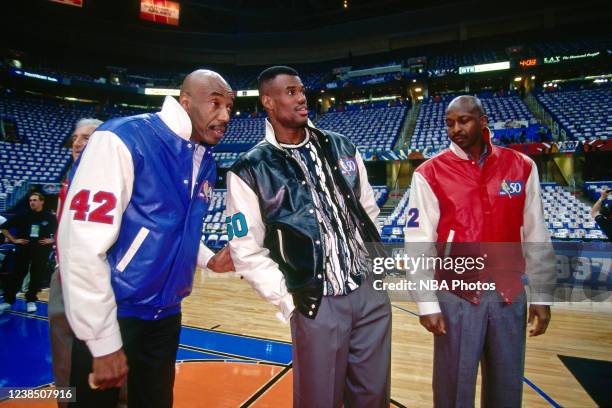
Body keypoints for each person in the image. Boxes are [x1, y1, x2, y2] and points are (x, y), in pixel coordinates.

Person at [57, 69, 235, 408]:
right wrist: (103, 340)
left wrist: (208, 259)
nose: (225, 116)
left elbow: (172, 227)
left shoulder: (203, 160)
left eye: (229, 107)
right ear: (185, 102)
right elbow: (80, 245)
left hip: (166, 314)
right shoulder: (121, 138)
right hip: (116, 311)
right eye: (215, 103)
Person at [226, 66, 391, 407]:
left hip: (369, 292)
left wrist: (376, 270)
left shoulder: (342, 145)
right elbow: (246, 251)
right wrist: (290, 301)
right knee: (319, 399)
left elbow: (368, 212)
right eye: (290, 92)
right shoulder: (250, 168)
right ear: (268, 102)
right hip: (316, 300)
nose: (301, 98)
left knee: (374, 398)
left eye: (301, 90)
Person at [405, 95, 556, 407]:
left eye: (464, 120)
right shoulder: (429, 173)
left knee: (507, 387)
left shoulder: (521, 166)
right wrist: (425, 302)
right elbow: (418, 242)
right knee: (453, 389)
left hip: (509, 293)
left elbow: (536, 233)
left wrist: (542, 295)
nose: (456, 129)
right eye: (449, 123)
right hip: (456, 295)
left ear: (483, 121)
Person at [48, 118, 103, 408]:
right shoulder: (68, 180)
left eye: (88, 137)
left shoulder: (119, 178)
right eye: (76, 138)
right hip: (66, 276)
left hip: (103, 280)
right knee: (65, 358)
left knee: (113, 356)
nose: (79, 143)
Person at [0, 192, 57, 314]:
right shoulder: (23, 215)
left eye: (35, 200)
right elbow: (4, 228)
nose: (32, 202)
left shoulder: (49, 217)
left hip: (41, 249)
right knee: (16, 275)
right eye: (31, 200)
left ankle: (31, 300)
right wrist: (14, 240)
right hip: (23, 248)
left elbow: (60, 230)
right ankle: (7, 301)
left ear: (42, 201)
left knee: (37, 276)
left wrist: (52, 239)